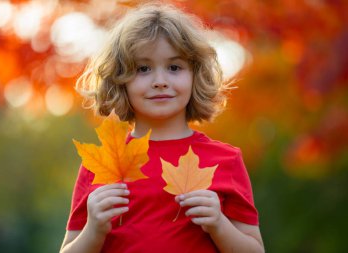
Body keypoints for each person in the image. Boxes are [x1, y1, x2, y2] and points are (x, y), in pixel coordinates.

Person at [60, 2, 264, 253]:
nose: (160, 81)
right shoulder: (101, 165)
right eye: (143, 69)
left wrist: (219, 225)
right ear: (119, 79)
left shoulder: (226, 160)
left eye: (174, 67)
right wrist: (93, 230)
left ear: (195, 75)